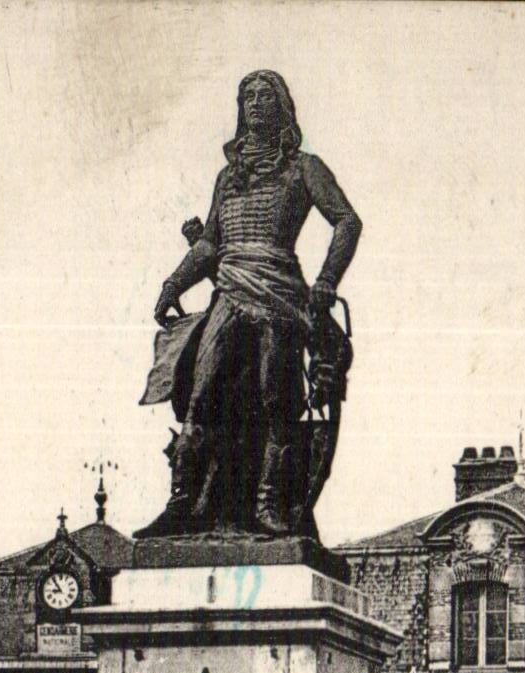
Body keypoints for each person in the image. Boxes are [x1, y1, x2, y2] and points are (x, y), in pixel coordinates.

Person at [138, 71, 361, 538]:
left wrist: (325, 281)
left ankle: (268, 505)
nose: (255, 104)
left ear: (282, 106)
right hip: (230, 290)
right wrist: (173, 283)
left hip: (279, 294)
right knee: (198, 398)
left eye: (265, 96)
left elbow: (346, 221)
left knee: (276, 400)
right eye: (247, 97)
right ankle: (181, 503)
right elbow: (210, 246)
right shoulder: (228, 177)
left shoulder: (304, 167)